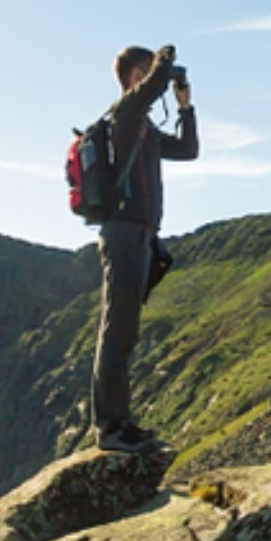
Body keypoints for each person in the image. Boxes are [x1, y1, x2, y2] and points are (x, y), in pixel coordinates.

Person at [92, 43, 199, 454]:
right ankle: (110, 428)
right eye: (148, 71)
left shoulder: (145, 129)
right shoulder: (124, 114)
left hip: (141, 236)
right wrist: (164, 61)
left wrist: (185, 108)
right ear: (136, 75)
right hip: (122, 234)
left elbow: (188, 151)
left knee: (126, 331)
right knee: (115, 331)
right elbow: (151, 86)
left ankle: (123, 423)